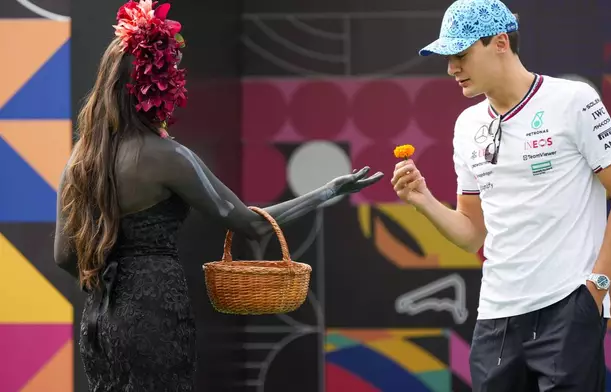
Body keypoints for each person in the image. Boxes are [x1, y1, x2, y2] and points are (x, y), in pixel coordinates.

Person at [53, 1, 383, 391]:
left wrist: (107, 286)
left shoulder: (82, 160)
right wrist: (327, 192)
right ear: (157, 86)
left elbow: (64, 256)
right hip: (154, 314)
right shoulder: (168, 157)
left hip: (100, 323)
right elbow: (249, 224)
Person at [391, 0, 611, 391]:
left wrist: (596, 289)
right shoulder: (467, 124)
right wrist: (423, 199)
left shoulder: (574, 100)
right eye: (448, 57)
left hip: (569, 308)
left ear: (500, 43)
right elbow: (472, 232)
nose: (451, 68)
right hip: (495, 317)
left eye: (460, 54)